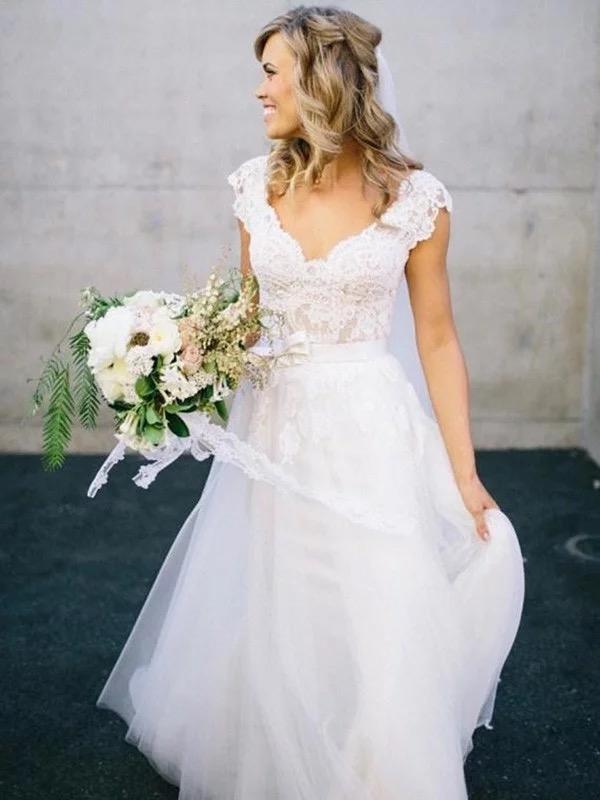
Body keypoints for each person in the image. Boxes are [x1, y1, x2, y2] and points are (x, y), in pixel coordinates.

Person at [96, 6, 525, 799]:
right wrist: (166, 349)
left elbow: (436, 338)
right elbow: (247, 316)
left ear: (320, 81)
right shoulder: (258, 188)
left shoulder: (415, 200)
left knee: (373, 595)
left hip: (367, 424)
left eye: (270, 72)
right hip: (274, 425)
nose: (258, 91)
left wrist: (464, 475)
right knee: (277, 592)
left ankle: (376, 759)